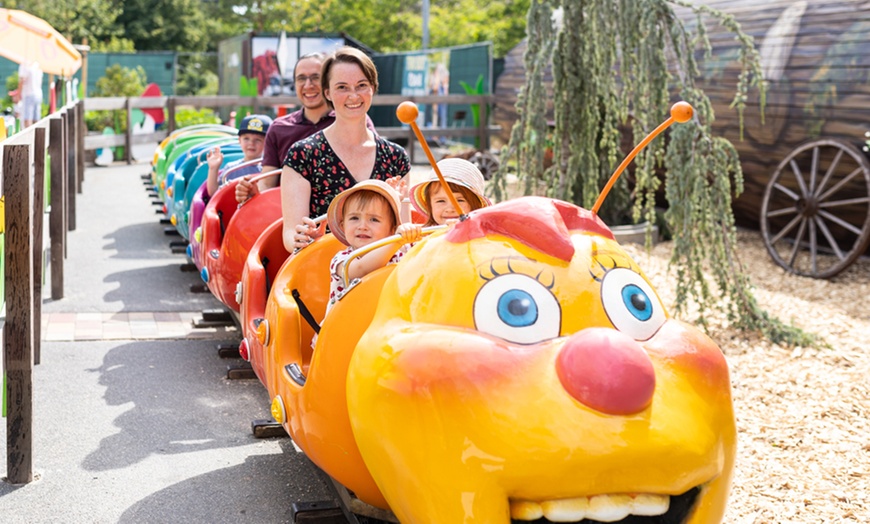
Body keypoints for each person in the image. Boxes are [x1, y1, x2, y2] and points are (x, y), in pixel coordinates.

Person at [284, 46, 410, 252]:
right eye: (342, 87)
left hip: (383, 271)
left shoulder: (396, 157)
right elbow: (290, 233)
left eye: (361, 85)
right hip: (321, 269)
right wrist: (299, 238)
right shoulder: (302, 155)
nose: (353, 95)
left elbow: (403, 233)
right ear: (328, 93)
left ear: (373, 88)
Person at [234, 52, 377, 203]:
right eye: (301, 78)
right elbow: (268, 182)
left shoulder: (354, 120)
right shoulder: (279, 128)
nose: (308, 85)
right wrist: (255, 194)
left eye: (316, 77)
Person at [323, 179, 420, 319]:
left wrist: (406, 231)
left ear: (392, 229)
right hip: (345, 329)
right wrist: (397, 240)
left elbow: (420, 247)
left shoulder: (400, 250)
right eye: (354, 218)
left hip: (388, 325)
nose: (362, 226)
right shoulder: (343, 260)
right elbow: (361, 269)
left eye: (374, 220)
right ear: (343, 225)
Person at [204, 114, 272, 199]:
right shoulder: (231, 168)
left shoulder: (269, 170)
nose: (251, 143)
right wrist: (213, 168)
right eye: (246, 138)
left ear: (268, 143)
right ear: (239, 140)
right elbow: (214, 193)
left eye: (258, 140)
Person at [409, 157, 491, 226]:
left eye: (460, 200)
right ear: (429, 205)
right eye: (440, 201)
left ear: (477, 206)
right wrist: (402, 238)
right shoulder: (421, 237)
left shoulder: (483, 238)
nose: (450, 209)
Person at [18, 61, 43, 128]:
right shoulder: (38, 65)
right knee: (36, 118)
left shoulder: (24, 65)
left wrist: (18, 94)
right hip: (38, 94)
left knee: (27, 119)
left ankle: (29, 137)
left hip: (29, 94)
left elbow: (22, 80)